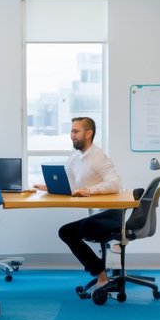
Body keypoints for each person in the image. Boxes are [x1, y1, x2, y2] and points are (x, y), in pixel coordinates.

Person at [33, 116, 124, 291]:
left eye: (76, 131)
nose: (72, 135)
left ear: (88, 133)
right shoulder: (74, 157)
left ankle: (102, 276)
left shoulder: (99, 157)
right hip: (96, 214)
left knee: (79, 229)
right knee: (66, 232)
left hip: (110, 214)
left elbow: (115, 183)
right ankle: (101, 273)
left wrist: (89, 190)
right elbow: (71, 185)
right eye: (71, 131)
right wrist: (49, 187)